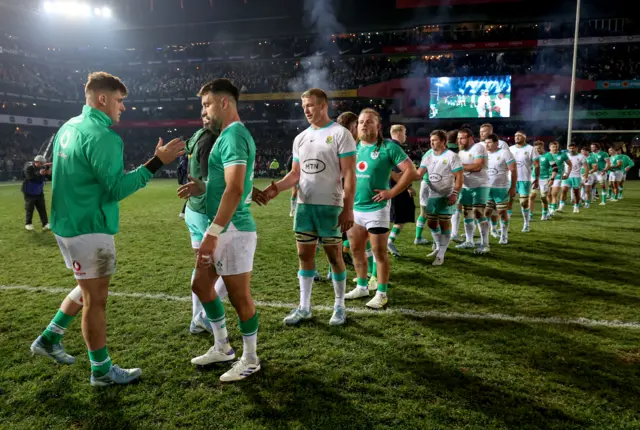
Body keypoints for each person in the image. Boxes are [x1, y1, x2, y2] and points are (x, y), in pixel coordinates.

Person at [30, 72, 185, 386]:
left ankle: (49, 338)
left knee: (87, 288)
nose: (122, 108)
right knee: (95, 301)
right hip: (89, 227)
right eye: (119, 100)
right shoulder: (104, 137)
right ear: (102, 99)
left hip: (66, 224)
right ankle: (101, 371)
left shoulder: (68, 127)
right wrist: (157, 162)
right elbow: (115, 189)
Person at [177, 79, 261, 381]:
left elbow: (236, 188)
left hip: (232, 229)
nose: (204, 111)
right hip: (223, 227)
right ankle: (223, 347)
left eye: (206, 104)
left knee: (240, 299)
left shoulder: (234, 135)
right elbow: (225, 183)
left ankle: (251, 359)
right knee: (200, 286)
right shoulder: (226, 135)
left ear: (224, 103)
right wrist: (204, 186)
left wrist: (212, 233)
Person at [264, 88, 357, 326]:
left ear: (324, 106)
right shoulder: (301, 138)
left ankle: (339, 306)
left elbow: (349, 174)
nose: (306, 110)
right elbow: (295, 174)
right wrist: (275, 189)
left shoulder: (340, 133)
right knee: (304, 255)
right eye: (303, 106)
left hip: (331, 207)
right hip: (304, 207)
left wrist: (348, 208)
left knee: (334, 257)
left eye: (311, 105)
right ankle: (304, 307)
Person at [344, 108, 416, 308]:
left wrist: (392, 193)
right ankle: (362, 286)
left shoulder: (388, 148)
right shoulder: (352, 147)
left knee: (379, 252)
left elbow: (411, 171)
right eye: (361, 122)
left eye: (368, 121)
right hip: (355, 208)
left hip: (377, 209)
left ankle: (382, 293)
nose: (364, 125)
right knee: (357, 250)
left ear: (378, 126)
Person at [182, 113, 219, 334]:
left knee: (201, 265)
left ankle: (197, 318)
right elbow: (209, 179)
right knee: (224, 266)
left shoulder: (197, 136)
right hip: (206, 210)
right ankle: (203, 316)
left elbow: (187, 147)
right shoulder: (210, 139)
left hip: (193, 209)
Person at [415, 130, 463, 265]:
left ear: (443, 141)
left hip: (446, 195)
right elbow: (419, 174)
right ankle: (438, 246)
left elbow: (459, 177)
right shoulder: (428, 155)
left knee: (444, 223)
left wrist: (455, 194)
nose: (431, 142)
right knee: (431, 223)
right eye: (430, 140)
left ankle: (441, 254)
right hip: (432, 194)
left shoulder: (452, 156)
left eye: (434, 140)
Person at [455, 128, 491, 254]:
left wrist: (458, 167)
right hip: (466, 186)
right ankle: (469, 241)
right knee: (467, 214)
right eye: (458, 138)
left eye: (462, 138)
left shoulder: (478, 148)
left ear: (470, 138)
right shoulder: (460, 152)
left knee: (478, 213)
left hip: (480, 185)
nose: (459, 140)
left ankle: (485, 244)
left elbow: (477, 166)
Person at [387, 124, 416, 258]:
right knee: (402, 216)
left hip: (387, 187)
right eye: (404, 133)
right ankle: (389, 241)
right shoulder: (395, 148)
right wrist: (408, 186)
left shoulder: (387, 145)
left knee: (390, 216)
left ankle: (384, 242)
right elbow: (399, 171)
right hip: (397, 188)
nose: (405, 136)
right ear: (398, 133)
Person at [485, 133, 517, 245]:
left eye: (489, 142)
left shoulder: (505, 153)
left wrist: (513, 187)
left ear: (496, 143)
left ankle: (504, 236)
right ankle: (485, 237)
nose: (487, 144)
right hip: (487, 189)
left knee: (502, 212)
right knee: (486, 212)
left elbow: (513, 170)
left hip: (501, 188)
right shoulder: (484, 154)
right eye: (486, 142)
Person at [508, 131, 540, 232]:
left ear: (524, 137)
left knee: (523, 202)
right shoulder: (510, 149)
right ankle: (505, 226)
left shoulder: (531, 149)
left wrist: (537, 178)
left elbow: (537, 165)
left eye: (519, 136)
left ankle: (526, 224)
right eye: (515, 136)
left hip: (524, 179)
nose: (516, 137)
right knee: (508, 202)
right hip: (510, 179)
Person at [530, 141, 558, 220]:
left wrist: (552, 178)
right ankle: (530, 215)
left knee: (543, 197)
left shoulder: (548, 155)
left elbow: (555, 167)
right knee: (532, 196)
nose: (537, 150)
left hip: (544, 179)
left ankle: (545, 213)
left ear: (543, 148)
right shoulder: (533, 155)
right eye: (535, 149)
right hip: (534, 178)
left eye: (539, 148)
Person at [22, 155, 51, 231]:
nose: (43, 165)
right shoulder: (29, 167)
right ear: (36, 162)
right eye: (41, 163)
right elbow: (30, 178)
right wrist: (40, 174)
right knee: (30, 208)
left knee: (42, 207)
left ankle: (45, 224)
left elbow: (48, 178)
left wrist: (48, 173)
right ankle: (28, 223)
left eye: (43, 163)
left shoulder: (42, 167)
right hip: (29, 191)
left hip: (38, 190)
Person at [564, 142, 589, 213]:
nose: (572, 149)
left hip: (577, 176)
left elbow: (586, 167)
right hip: (567, 176)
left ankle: (576, 207)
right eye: (570, 148)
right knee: (564, 190)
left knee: (576, 192)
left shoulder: (581, 156)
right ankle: (561, 206)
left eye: (573, 148)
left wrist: (586, 177)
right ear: (568, 148)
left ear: (576, 148)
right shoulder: (566, 155)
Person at [548, 141, 571, 216]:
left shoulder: (563, 155)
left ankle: (552, 211)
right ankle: (549, 207)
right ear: (550, 147)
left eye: (556, 146)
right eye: (553, 147)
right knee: (548, 194)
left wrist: (567, 174)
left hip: (557, 176)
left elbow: (570, 165)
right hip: (547, 176)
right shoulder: (546, 155)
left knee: (554, 194)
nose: (555, 148)